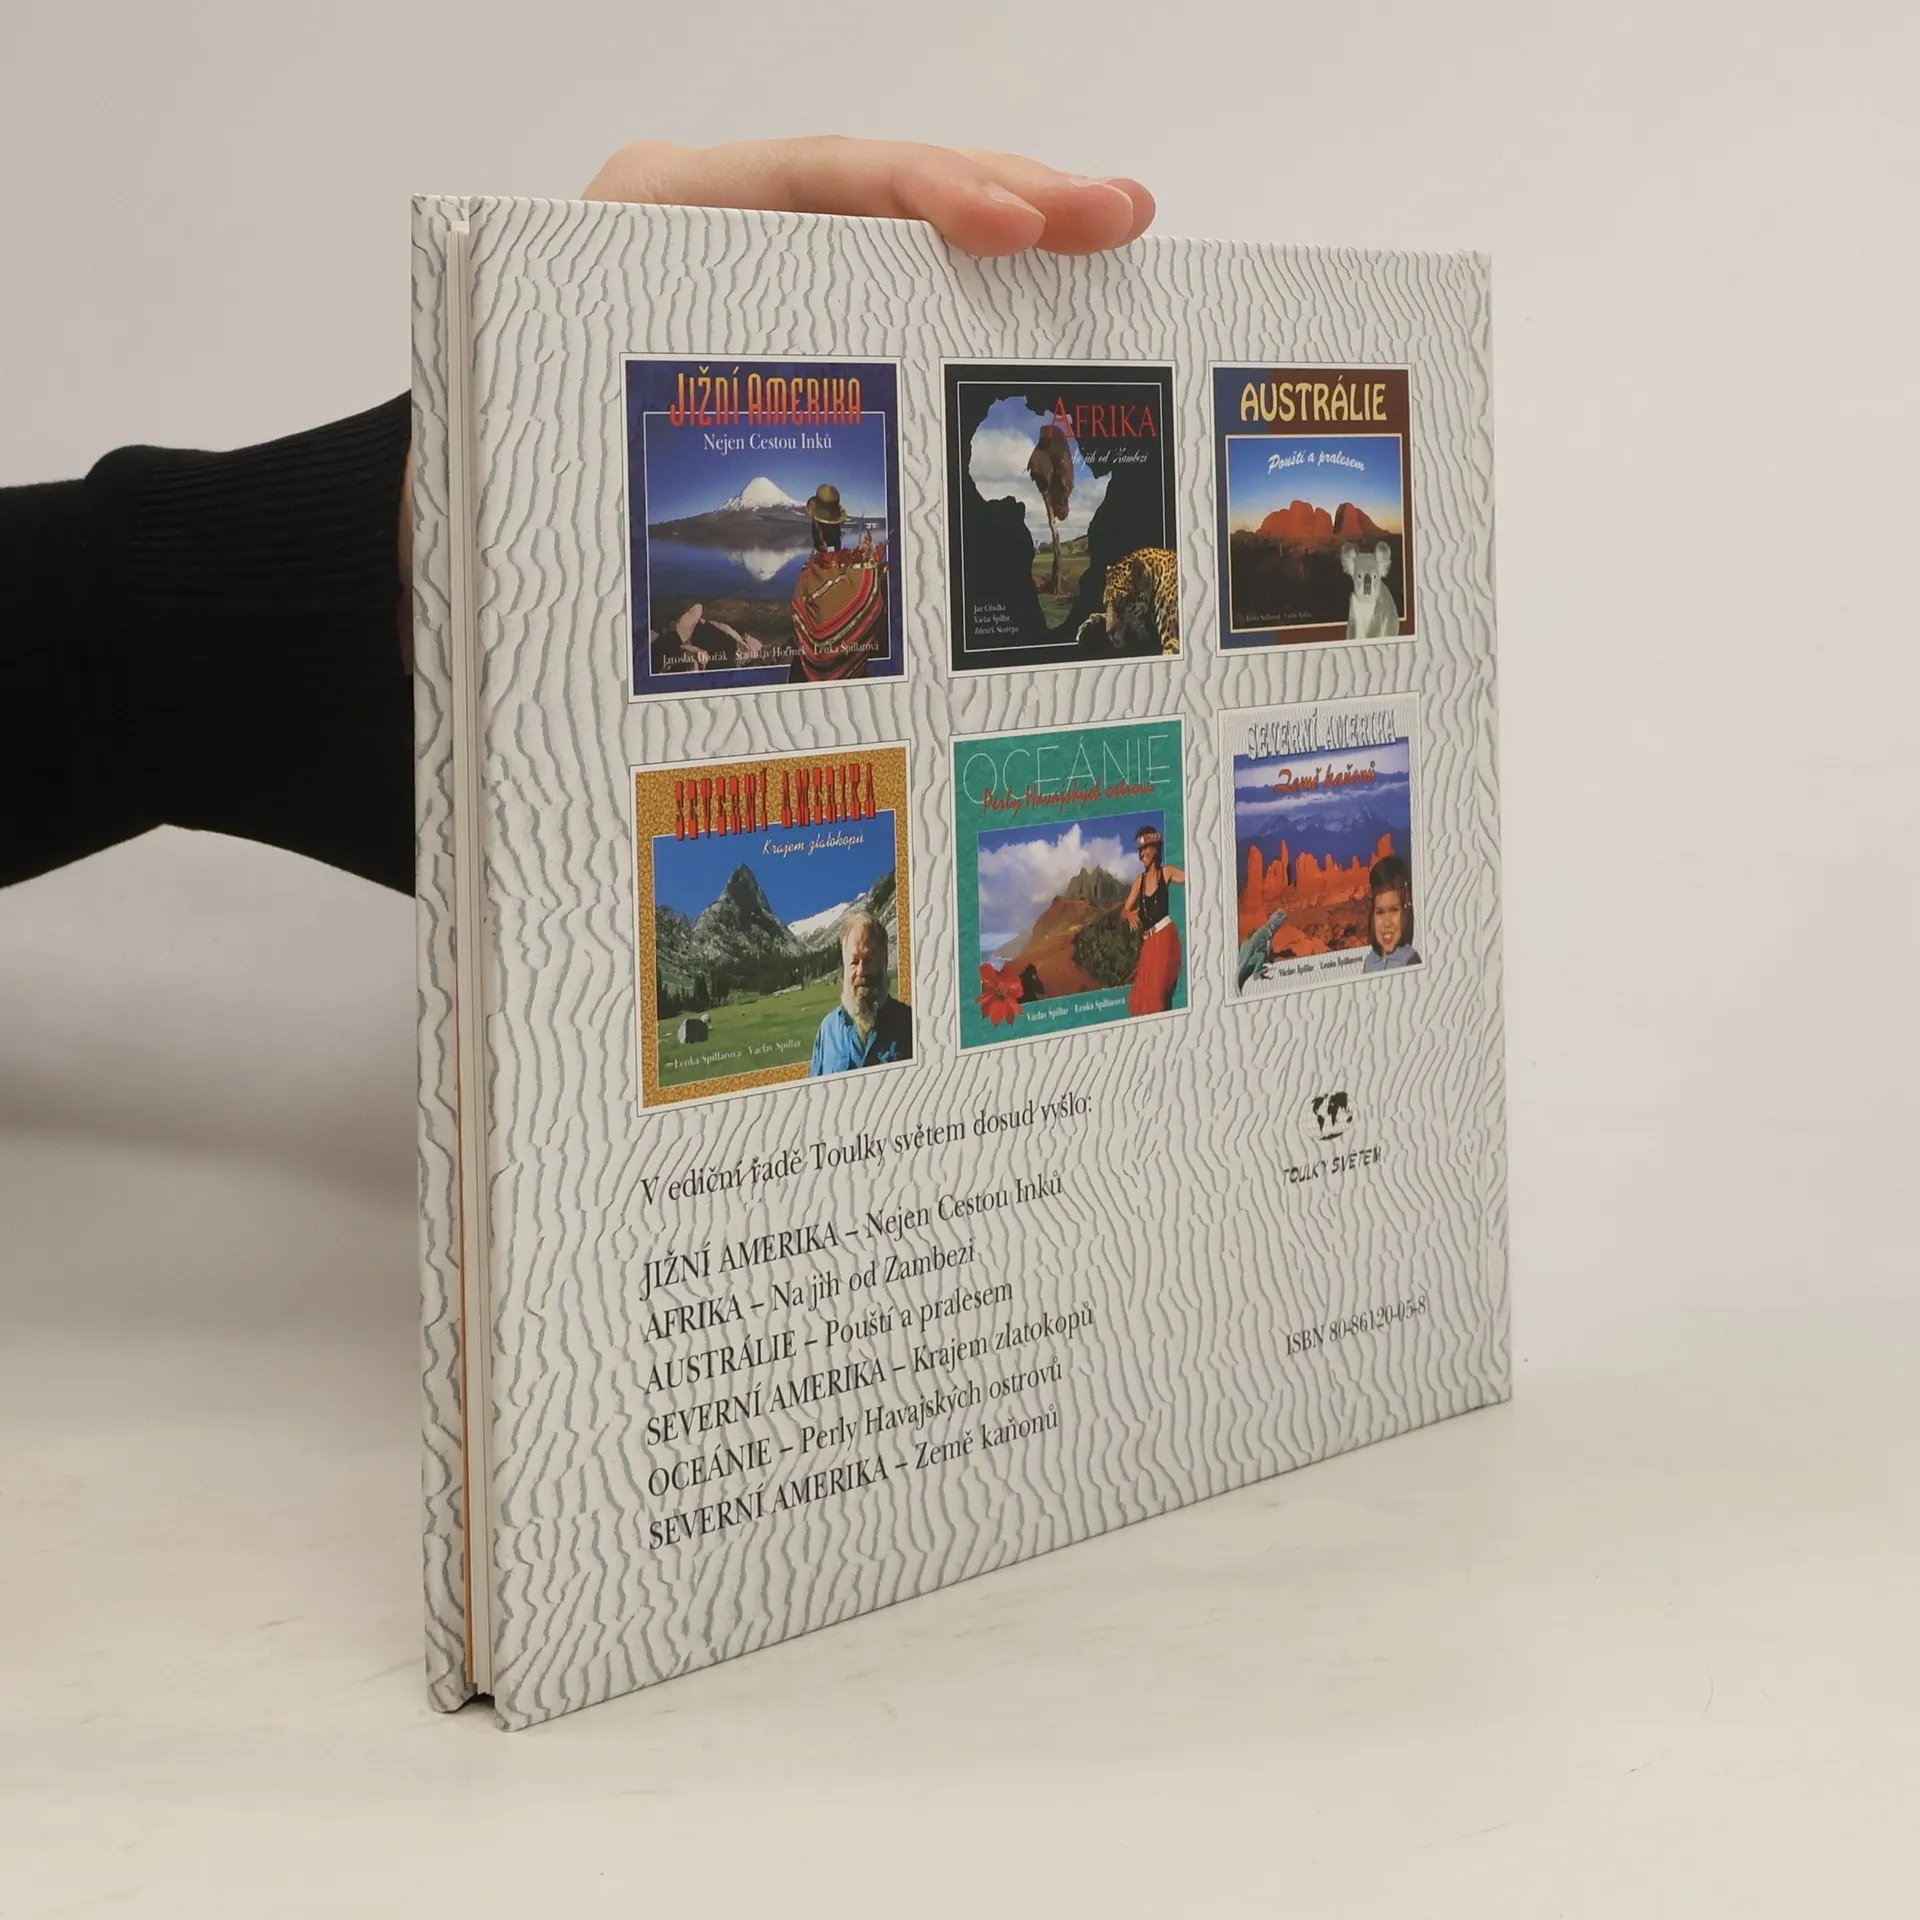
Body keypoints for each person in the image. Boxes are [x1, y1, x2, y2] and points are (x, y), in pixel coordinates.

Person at [0, 139, 1155, 894]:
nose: (819, 532)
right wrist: (439, 515)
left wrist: (417, 507)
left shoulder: (854, 574)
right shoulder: (820, 582)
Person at [809, 908, 912, 1074]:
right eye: (854, 962)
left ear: (884, 961)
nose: (861, 971)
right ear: (844, 966)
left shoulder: (909, 1023)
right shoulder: (827, 1031)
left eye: (869, 959)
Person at [1121, 824, 1186, 1015]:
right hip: (1149, 945)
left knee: (1158, 996)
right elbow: (1125, 909)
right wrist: (1129, 915)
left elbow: (1192, 877)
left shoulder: (1167, 872)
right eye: (1140, 850)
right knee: (1145, 1001)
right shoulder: (1139, 882)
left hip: (1166, 940)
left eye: (1145, 848)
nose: (1142, 853)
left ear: (1156, 848)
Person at [1361, 853, 1420, 972]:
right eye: (1380, 912)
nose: (1387, 923)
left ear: (1405, 913)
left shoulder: (1410, 961)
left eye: (1394, 910)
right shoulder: (1369, 963)